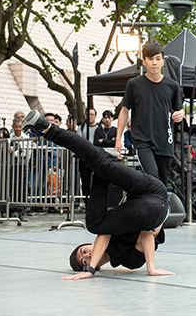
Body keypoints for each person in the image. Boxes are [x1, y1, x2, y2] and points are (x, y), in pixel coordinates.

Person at [21, 110, 174, 279]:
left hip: (147, 189)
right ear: (99, 267)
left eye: (84, 251)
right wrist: (151, 268)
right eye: (85, 261)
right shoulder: (129, 261)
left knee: (97, 163)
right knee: (97, 225)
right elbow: (148, 233)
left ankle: (46, 129)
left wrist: (90, 269)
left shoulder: (102, 229)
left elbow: (104, 234)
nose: (87, 256)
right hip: (158, 207)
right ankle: (100, 161)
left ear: (90, 244)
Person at [115, 42, 185, 186]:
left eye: (158, 58)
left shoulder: (173, 86)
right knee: (152, 177)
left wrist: (181, 114)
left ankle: (161, 207)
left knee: (162, 182)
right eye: (150, 59)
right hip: (142, 140)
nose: (154, 62)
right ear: (143, 61)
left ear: (163, 61)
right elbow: (124, 110)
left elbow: (179, 109)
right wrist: (118, 138)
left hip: (165, 140)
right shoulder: (134, 84)